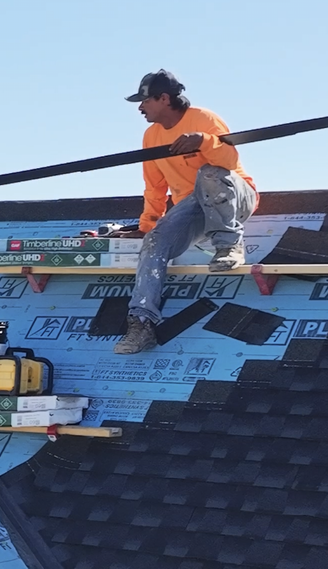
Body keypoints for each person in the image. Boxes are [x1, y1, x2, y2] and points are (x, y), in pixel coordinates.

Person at [111, 70, 259, 355]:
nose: (140, 108)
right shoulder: (151, 136)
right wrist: (147, 225)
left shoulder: (204, 119)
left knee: (209, 173)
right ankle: (142, 324)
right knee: (155, 242)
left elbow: (229, 162)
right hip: (194, 208)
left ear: (164, 98)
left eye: (145, 101)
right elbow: (154, 186)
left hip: (235, 197)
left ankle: (230, 245)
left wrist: (204, 141)